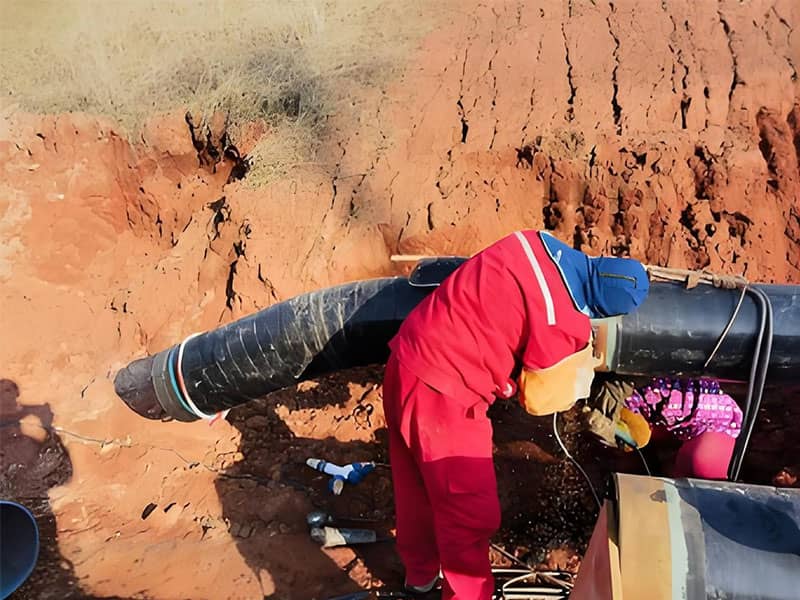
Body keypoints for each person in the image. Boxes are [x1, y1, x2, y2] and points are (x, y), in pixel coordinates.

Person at [382, 230, 649, 599]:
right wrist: (581, 385)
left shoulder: (536, 241)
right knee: (471, 514)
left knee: (417, 487)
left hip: (406, 359)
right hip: (447, 394)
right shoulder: (561, 319)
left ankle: (421, 581)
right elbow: (538, 399)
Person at [584, 377, 742, 480]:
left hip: (658, 383)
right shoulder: (700, 463)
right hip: (629, 395)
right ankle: (596, 420)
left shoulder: (728, 417)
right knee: (638, 439)